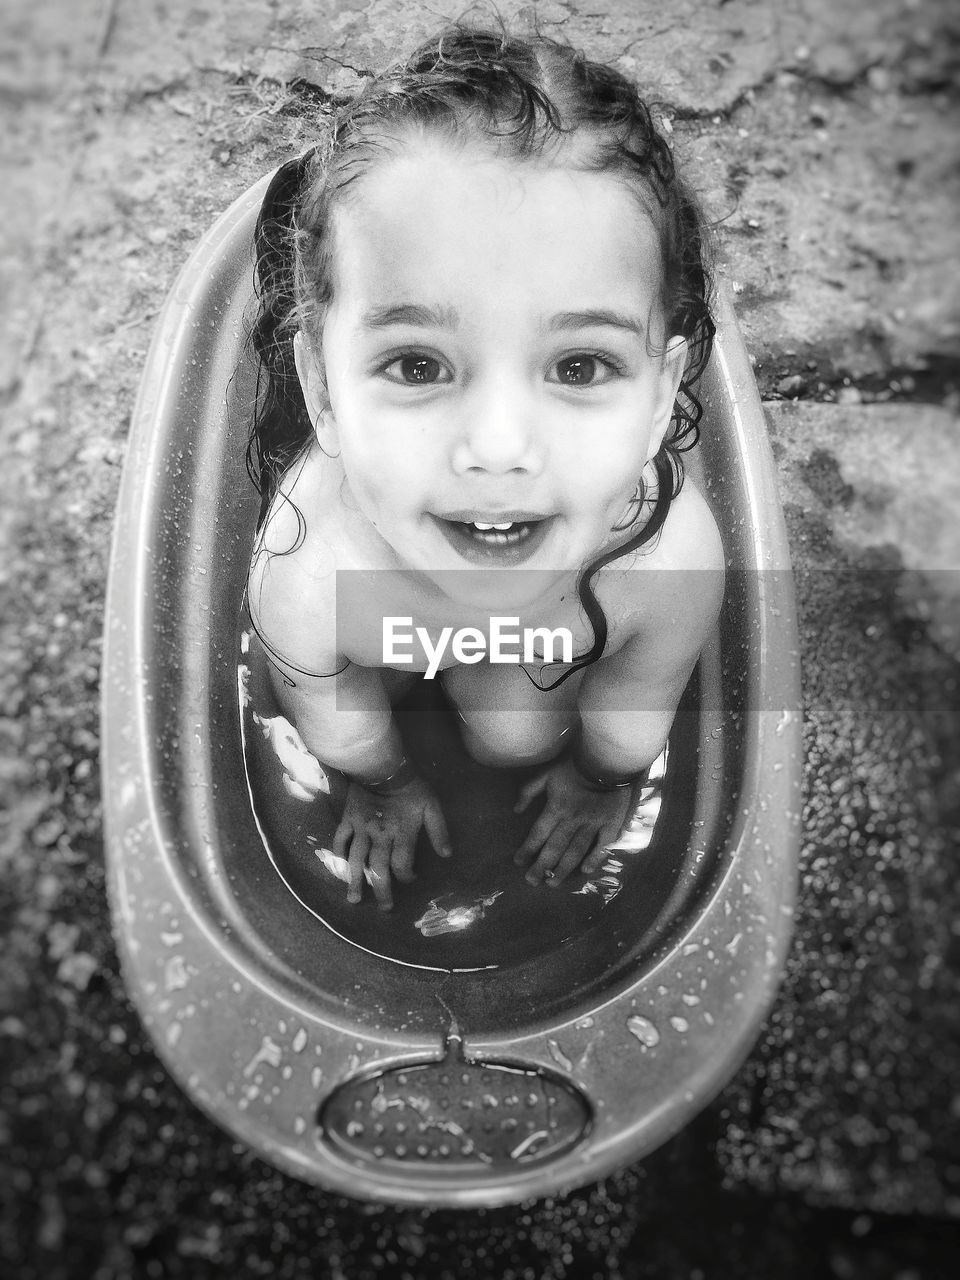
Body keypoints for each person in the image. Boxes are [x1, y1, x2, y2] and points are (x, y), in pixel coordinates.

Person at [245, 25, 725, 911]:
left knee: (514, 732)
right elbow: (331, 710)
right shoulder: (308, 567)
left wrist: (599, 779)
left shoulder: (664, 563)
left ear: (661, 396)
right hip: (375, 643)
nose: (500, 449)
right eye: (418, 365)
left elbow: (631, 714)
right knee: (313, 687)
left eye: (579, 367)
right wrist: (384, 781)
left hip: (534, 662)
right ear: (321, 386)